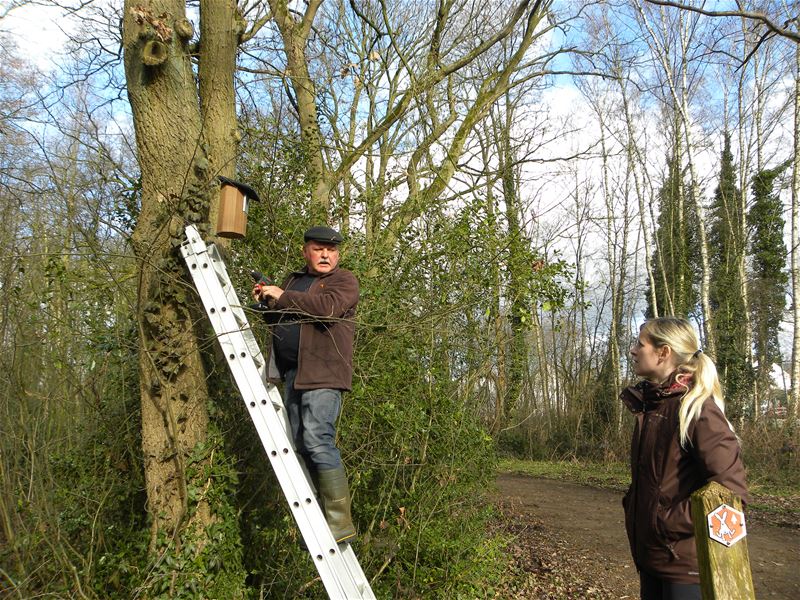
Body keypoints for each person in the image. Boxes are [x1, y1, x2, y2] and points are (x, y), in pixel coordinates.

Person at [622, 317, 748, 600]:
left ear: (663, 352)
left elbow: (731, 495)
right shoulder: (654, 408)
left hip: (686, 570)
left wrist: (663, 522)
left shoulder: (698, 410)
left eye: (640, 345)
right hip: (653, 560)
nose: (633, 351)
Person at [253, 225, 359, 544]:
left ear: (338, 254)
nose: (326, 254)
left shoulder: (344, 281)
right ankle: (319, 518)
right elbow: (282, 317)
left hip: (324, 373)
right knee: (299, 444)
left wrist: (282, 295)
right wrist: (267, 300)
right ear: (306, 252)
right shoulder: (294, 280)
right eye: (318, 248)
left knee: (317, 438)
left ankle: (340, 524)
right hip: (293, 375)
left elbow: (326, 310)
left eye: (331, 250)